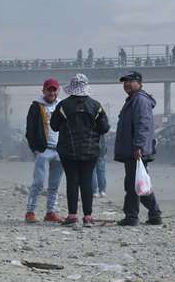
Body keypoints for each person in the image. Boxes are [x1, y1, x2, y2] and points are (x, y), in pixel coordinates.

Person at [50, 74, 110, 225]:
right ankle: (88, 216)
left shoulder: (63, 105)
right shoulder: (96, 106)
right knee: (86, 181)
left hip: (68, 151)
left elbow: (54, 126)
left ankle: (72, 216)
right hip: (90, 151)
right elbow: (104, 127)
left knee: (72, 181)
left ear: (72, 88)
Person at [114, 71, 162, 226]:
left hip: (136, 149)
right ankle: (153, 215)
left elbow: (143, 124)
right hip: (133, 149)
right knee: (139, 183)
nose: (127, 84)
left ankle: (132, 217)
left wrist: (139, 146)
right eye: (125, 81)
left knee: (135, 184)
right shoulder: (133, 99)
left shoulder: (139, 100)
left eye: (130, 81)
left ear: (139, 82)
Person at [24, 78, 63, 223]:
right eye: (49, 89)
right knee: (38, 183)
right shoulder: (36, 106)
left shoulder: (62, 106)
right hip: (43, 150)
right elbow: (30, 130)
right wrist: (35, 149)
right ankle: (30, 211)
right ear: (44, 91)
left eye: (54, 90)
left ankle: (50, 212)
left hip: (59, 151)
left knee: (54, 184)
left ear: (57, 91)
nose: (51, 92)